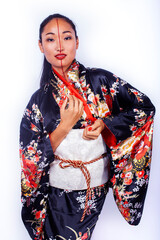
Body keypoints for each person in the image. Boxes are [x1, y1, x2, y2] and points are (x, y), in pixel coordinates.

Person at [20, 14, 155, 240]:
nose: (60, 46)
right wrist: (65, 126)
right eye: (51, 39)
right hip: (57, 191)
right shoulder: (38, 101)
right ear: (40, 46)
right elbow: (30, 157)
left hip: (94, 187)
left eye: (67, 37)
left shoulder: (101, 81)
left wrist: (105, 124)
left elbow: (144, 108)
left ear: (77, 42)